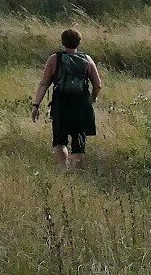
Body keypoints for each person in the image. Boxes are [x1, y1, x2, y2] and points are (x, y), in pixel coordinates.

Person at [30, 28, 103, 170]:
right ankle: (77, 173)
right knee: (79, 142)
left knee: (59, 141)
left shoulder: (54, 59)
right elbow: (98, 85)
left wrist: (36, 105)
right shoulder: (87, 60)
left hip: (61, 103)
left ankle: (64, 170)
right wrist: (92, 98)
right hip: (81, 104)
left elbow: (44, 83)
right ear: (78, 42)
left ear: (63, 41)